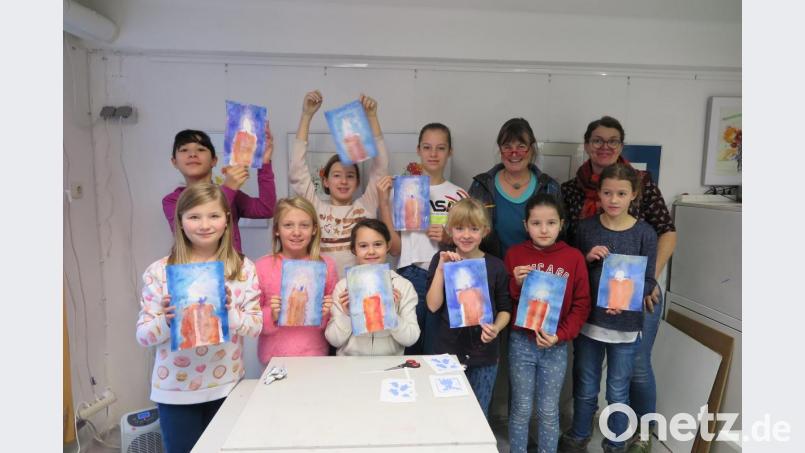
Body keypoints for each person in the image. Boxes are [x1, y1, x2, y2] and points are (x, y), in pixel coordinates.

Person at [561, 116, 676, 451]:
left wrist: (641, 289)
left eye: (621, 193)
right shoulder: (584, 224)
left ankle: (621, 441)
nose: (613, 198)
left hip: (626, 323)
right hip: (590, 321)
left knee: (621, 385)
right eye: (598, 140)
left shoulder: (644, 230)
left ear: (633, 195)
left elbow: (652, 265)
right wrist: (585, 259)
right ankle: (580, 435)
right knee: (585, 384)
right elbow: (573, 264)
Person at [136, 183, 263, 453]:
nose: (205, 224)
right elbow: (144, 336)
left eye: (214, 216)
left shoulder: (243, 268)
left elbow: (255, 327)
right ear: (180, 221)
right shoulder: (160, 271)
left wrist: (228, 313)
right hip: (175, 391)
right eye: (194, 216)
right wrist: (167, 322)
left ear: (227, 221)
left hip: (227, 386)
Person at [503, 193, 591, 453]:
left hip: (555, 345)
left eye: (551, 223)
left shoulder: (573, 258)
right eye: (536, 223)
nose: (543, 229)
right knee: (520, 408)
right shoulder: (515, 254)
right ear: (525, 225)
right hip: (521, 343)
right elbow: (506, 302)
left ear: (561, 224)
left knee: (549, 411)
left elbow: (581, 304)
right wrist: (516, 284)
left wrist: (560, 335)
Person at [377, 122, 469, 355]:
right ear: (418, 149)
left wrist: (449, 238)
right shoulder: (404, 190)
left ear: (451, 151)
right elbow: (395, 248)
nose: (433, 153)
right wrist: (383, 202)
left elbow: (472, 246)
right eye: (427, 147)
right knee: (411, 348)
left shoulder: (459, 194)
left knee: (442, 349)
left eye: (440, 148)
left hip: (448, 275)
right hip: (412, 274)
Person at [425, 198, 511, 418]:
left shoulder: (495, 266)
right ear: (450, 230)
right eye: (460, 228)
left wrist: (496, 328)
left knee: (478, 415)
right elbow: (433, 306)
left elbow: (505, 308)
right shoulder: (441, 260)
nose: (466, 235)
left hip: (485, 354)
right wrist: (442, 270)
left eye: (474, 229)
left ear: (485, 231)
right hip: (448, 352)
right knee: (446, 413)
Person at [290, 90, 388, 277]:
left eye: (350, 176)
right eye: (336, 175)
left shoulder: (365, 205)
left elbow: (381, 165)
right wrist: (306, 115)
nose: (343, 181)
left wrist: (372, 117)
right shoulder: (315, 207)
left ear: (358, 181)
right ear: (325, 181)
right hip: (325, 293)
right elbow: (297, 169)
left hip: (361, 290)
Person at [162, 127, 276, 253]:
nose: (192, 154)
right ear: (174, 162)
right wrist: (228, 188)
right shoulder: (172, 200)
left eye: (200, 149)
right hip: (195, 270)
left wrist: (264, 163)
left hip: (232, 269)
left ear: (214, 160)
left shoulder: (232, 193)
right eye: (184, 150)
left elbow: (266, 209)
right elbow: (183, 235)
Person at [255, 197, 337, 366]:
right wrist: (272, 314)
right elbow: (251, 319)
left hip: (315, 355)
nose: (296, 232)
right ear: (277, 230)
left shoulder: (326, 266)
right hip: (274, 359)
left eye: (304, 225)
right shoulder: (262, 266)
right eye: (288, 225)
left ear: (314, 229)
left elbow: (338, 319)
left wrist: (327, 313)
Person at [469, 117, 561, 260]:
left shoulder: (549, 187)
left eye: (521, 146)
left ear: (531, 149)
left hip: (536, 276)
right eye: (507, 147)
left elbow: (561, 239)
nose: (514, 153)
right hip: (491, 274)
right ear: (500, 150)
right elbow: (468, 231)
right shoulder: (481, 185)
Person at [325, 219, 420, 355]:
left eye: (377, 244)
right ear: (354, 249)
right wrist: (347, 315)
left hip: (390, 366)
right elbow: (334, 340)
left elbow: (411, 338)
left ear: (387, 246)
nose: (371, 251)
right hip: (350, 366)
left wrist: (391, 313)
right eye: (363, 246)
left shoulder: (403, 286)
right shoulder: (342, 287)